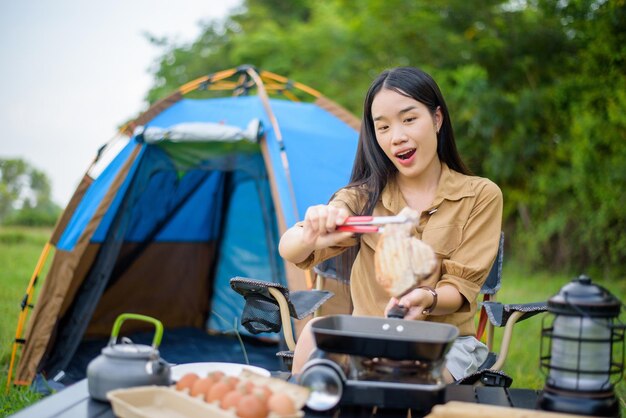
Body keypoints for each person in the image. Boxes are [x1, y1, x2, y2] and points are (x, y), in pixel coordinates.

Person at [278, 66, 503, 383]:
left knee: (400, 384)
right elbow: (290, 248)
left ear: (437, 119)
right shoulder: (362, 196)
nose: (397, 137)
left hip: (442, 342)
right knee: (314, 331)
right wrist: (314, 228)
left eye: (409, 119)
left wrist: (427, 299)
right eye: (382, 127)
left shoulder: (479, 196)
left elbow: (458, 289)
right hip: (368, 333)